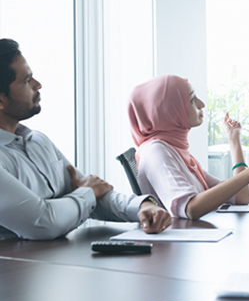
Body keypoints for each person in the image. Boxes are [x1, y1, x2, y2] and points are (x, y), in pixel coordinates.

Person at [0, 39, 171, 240]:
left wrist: (143, 206)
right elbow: (42, 222)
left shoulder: (39, 141)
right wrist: (86, 192)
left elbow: (96, 193)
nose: (38, 85)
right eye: (26, 81)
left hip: (60, 263)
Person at [128, 75, 249, 220]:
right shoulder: (156, 152)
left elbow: (241, 196)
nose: (201, 104)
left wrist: (234, 140)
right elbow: (191, 208)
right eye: (192, 100)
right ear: (169, 110)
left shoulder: (176, 151)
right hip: (178, 252)